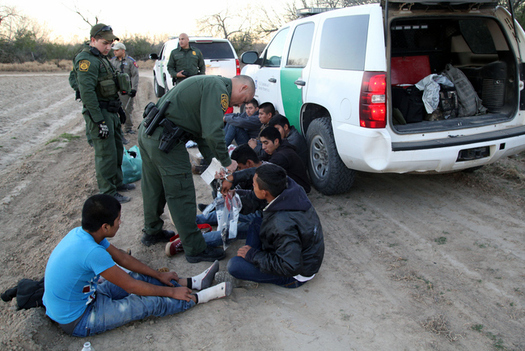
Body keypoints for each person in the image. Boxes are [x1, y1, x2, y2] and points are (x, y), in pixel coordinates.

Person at [43, 194, 232, 337]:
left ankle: (190, 283)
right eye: (117, 220)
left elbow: (122, 259)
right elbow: (130, 287)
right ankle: (198, 297)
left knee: (141, 277)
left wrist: (158, 275)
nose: (120, 223)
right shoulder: (92, 252)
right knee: (145, 303)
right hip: (78, 319)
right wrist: (170, 292)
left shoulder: (84, 233)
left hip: (89, 297)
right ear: (105, 227)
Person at [138, 75, 255, 263]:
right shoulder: (219, 90)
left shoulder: (210, 84)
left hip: (150, 134)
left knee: (154, 187)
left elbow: (202, 136)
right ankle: (195, 249)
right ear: (242, 88)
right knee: (181, 194)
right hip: (166, 141)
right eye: (245, 100)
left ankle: (152, 231)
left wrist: (214, 167)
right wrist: (226, 162)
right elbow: (212, 132)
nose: (242, 104)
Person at [223, 163, 324, 288]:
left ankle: (251, 269)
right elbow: (259, 174)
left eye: (254, 185)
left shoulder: (282, 224)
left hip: (295, 273)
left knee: (235, 266)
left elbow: (290, 266)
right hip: (293, 249)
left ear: (264, 192)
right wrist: (234, 185)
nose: (252, 186)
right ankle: (253, 263)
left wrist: (253, 255)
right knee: (256, 223)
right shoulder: (288, 186)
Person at [166, 145, 265, 254]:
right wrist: (224, 183)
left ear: (249, 163)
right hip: (255, 210)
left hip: (261, 217)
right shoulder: (258, 172)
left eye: (239, 169)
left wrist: (233, 190)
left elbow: (252, 202)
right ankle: (190, 221)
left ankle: (191, 242)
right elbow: (245, 190)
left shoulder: (268, 178)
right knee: (225, 210)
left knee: (233, 230)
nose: (238, 172)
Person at [74, 23, 133, 204]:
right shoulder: (86, 60)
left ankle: (117, 182)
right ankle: (108, 192)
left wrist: (120, 111)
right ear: (93, 40)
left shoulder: (101, 58)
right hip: (99, 112)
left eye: (110, 44)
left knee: (116, 149)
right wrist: (99, 121)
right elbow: (88, 94)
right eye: (104, 43)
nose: (108, 47)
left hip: (111, 110)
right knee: (105, 153)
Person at [259, 126, 311, 193]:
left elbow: (266, 172)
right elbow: (262, 157)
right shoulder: (280, 146)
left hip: (299, 190)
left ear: (276, 141)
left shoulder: (281, 156)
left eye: (266, 143)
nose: (263, 147)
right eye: (262, 143)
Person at [110, 42, 139, 134]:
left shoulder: (130, 61)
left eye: (117, 50)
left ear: (123, 51)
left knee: (127, 109)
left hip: (126, 90)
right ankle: (116, 128)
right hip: (115, 90)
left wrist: (134, 89)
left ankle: (128, 127)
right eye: (114, 50)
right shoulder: (112, 61)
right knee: (114, 108)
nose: (115, 52)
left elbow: (135, 75)